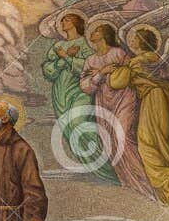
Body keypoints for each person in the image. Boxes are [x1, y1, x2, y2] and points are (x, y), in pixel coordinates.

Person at [107, 26, 169, 208]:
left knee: (147, 145)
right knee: (167, 143)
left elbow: (117, 82)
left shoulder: (137, 62)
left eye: (134, 38)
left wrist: (112, 70)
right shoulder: (159, 60)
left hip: (153, 101)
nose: (131, 40)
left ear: (141, 42)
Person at [79, 22, 152, 199]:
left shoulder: (119, 53)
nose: (92, 33)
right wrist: (101, 73)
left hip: (125, 98)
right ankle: (128, 181)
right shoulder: (90, 60)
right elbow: (85, 87)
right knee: (110, 142)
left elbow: (132, 74)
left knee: (123, 137)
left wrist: (112, 74)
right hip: (103, 103)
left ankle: (144, 181)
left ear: (104, 34)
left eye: (96, 31)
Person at [42, 12, 116, 184]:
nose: (62, 22)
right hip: (60, 92)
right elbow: (48, 71)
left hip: (80, 90)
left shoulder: (85, 43)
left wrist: (67, 58)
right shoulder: (58, 45)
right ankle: (92, 166)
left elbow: (87, 68)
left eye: (67, 19)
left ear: (76, 23)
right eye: (62, 20)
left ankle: (107, 167)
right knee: (69, 128)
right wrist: (62, 60)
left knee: (79, 124)